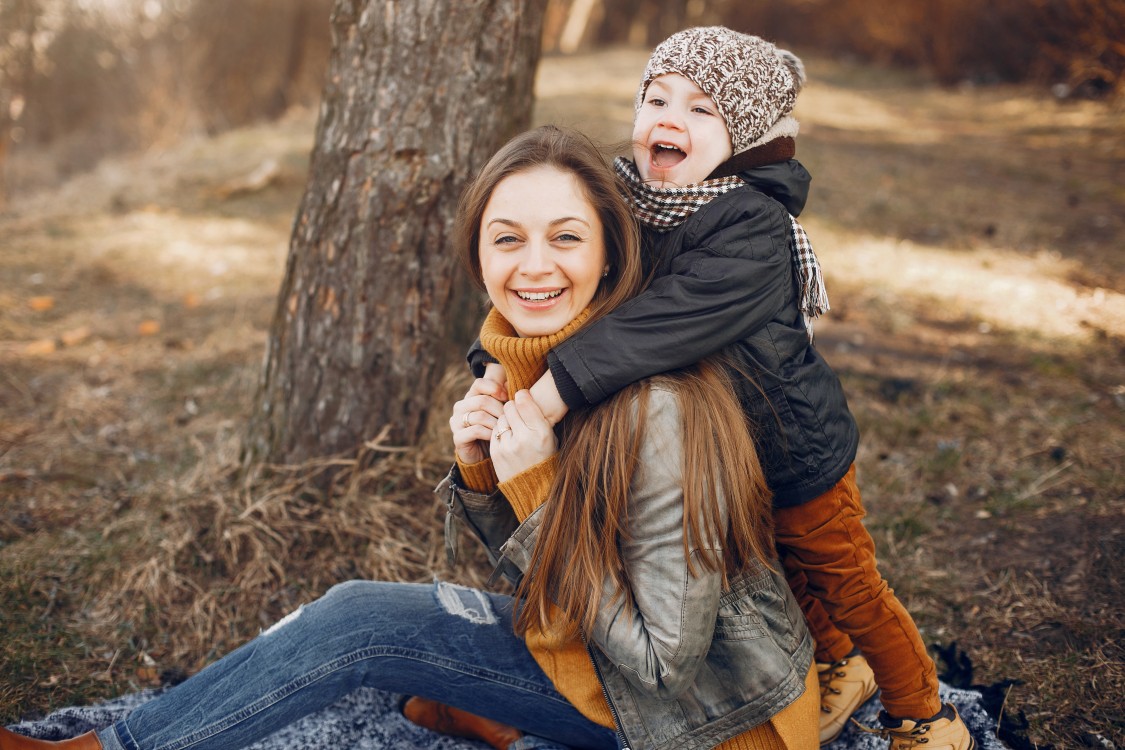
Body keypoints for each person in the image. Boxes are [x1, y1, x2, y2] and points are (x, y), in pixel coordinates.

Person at [1, 125, 817, 750]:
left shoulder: (657, 405)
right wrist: (482, 480)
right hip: (629, 671)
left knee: (364, 623)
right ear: (478, 254)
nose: (535, 265)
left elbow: (661, 665)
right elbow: (570, 577)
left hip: (714, 721)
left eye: (566, 237)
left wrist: (529, 489)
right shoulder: (545, 373)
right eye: (508, 238)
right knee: (368, 619)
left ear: (609, 255)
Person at [467, 27, 974, 750]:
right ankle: (835, 663)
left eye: (703, 110)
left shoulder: (751, 230)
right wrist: (494, 366)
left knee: (843, 581)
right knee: (790, 579)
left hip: (793, 449)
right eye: (656, 98)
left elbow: (649, 325)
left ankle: (921, 710)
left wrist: (548, 394)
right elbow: (565, 293)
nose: (669, 118)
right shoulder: (638, 202)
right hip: (722, 454)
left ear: (742, 139)